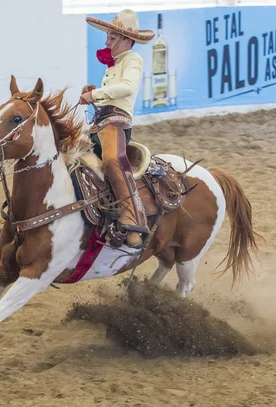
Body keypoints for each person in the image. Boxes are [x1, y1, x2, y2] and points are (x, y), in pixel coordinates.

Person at [80, 9, 155, 248]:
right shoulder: (117, 63)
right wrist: (96, 98)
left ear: (126, 40)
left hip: (116, 124)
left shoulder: (132, 59)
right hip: (101, 123)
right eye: (108, 37)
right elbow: (115, 92)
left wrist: (96, 94)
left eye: (111, 38)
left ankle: (132, 218)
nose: (106, 41)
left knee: (112, 161)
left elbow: (127, 88)